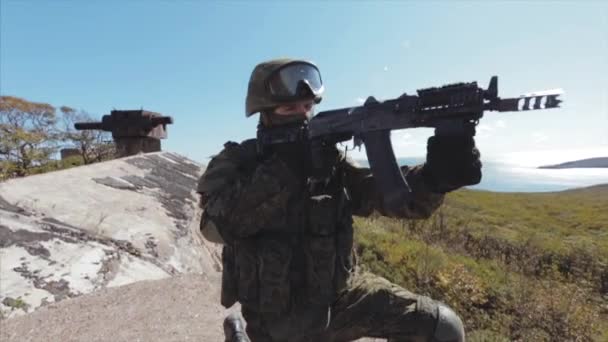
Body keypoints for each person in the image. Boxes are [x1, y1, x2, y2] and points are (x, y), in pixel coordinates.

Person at [197, 58, 482, 342]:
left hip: (344, 296)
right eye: (289, 108)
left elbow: (382, 194)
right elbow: (214, 227)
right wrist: (283, 170)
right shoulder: (237, 162)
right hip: (278, 319)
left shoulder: (328, 159)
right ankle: (238, 333)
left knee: (444, 328)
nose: (302, 116)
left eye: (307, 107)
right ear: (265, 113)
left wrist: (435, 178)